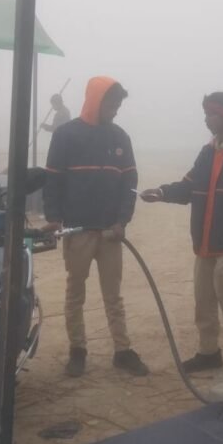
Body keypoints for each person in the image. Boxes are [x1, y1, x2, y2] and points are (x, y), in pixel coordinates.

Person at [141, 91, 223, 377]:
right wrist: (161, 192)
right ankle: (209, 352)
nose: (206, 120)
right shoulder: (207, 152)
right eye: (205, 114)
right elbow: (189, 186)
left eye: (210, 114)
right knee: (204, 297)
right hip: (205, 240)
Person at [42, 77, 148, 378]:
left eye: (117, 105)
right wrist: (54, 216)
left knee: (113, 295)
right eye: (111, 104)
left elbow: (130, 182)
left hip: (110, 232)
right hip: (78, 231)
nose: (115, 110)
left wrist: (122, 221)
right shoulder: (66, 134)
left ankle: (122, 351)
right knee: (75, 291)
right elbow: (53, 179)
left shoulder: (120, 137)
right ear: (95, 101)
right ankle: (78, 350)